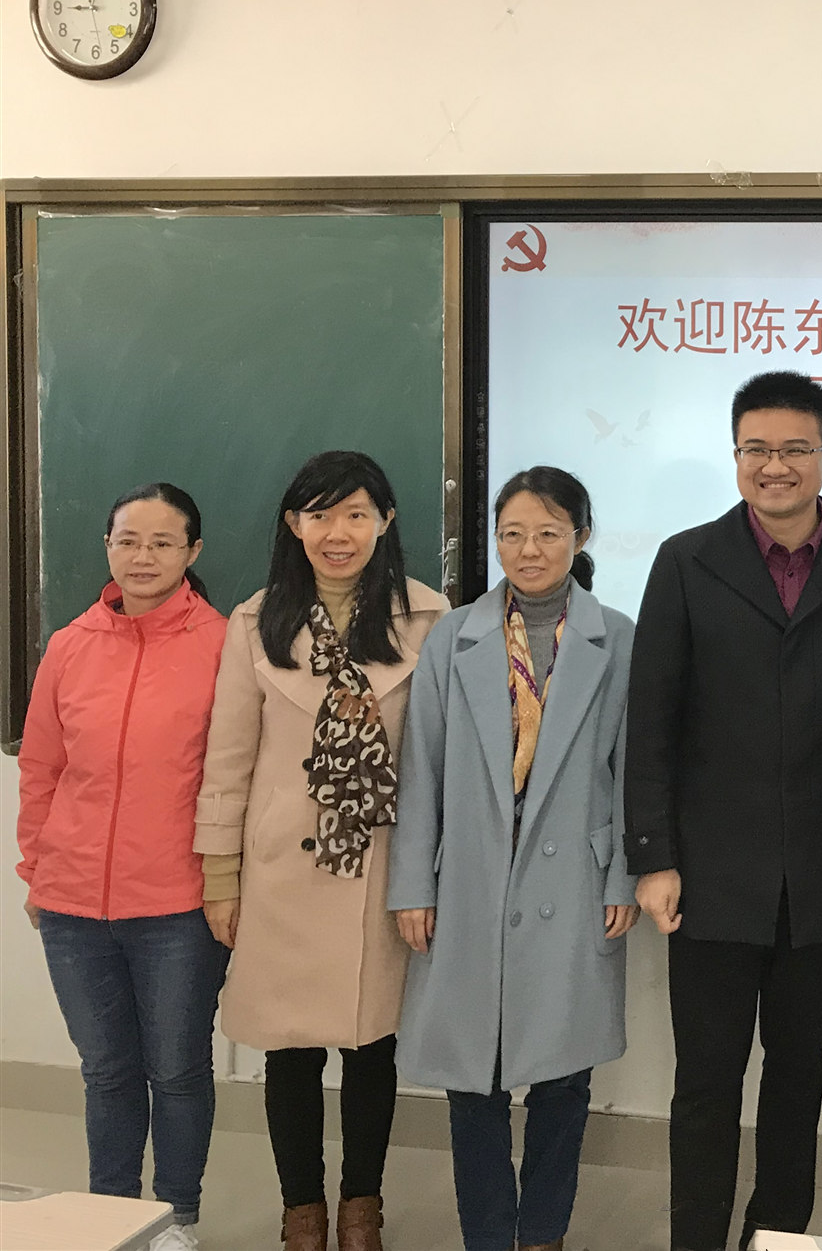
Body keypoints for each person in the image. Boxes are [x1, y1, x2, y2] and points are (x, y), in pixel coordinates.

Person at [626, 370, 822, 1251]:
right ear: (736, 456)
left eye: (795, 449)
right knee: (706, 1079)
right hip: (709, 871)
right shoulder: (687, 559)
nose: (775, 466)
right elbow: (652, 717)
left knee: (799, 1068)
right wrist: (653, 854)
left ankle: (779, 1232)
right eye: (757, 449)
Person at [194, 451, 449, 1251]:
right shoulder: (255, 621)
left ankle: (361, 1210)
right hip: (282, 870)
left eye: (356, 514)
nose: (338, 533)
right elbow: (227, 758)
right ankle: (301, 1211)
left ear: (386, 521)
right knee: (292, 1048)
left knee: (373, 1045)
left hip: (385, 865)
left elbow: (442, 760)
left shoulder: (429, 619)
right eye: (319, 515)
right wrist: (220, 875)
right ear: (293, 524)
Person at [388, 467, 638, 1251]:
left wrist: (623, 875)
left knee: (564, 1078)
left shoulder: (617, 638)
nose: (529, 550)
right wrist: (411, 885)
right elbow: (421, 768)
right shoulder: (453, 637)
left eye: (548, 534)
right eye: (513, 534)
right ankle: (489, 1235)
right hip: (468, 878)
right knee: (473, 1080)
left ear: (580, 537)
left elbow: (633, 771)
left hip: (575, 878)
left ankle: (544, 1234)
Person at [15, 484, 231, 1251]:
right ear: (107, 546)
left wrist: (224, 885)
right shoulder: (69, 644)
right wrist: (38, 869)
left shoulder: (223, 645)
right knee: (105, 1071)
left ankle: (177, 1218)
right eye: (128, 540)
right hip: (72, 906)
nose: (143, 557)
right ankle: (111, 1217)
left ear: (192, 552)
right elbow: (41, 768)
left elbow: (234, 777)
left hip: (178, 906)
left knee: (176, 1070)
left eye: (163, 543)